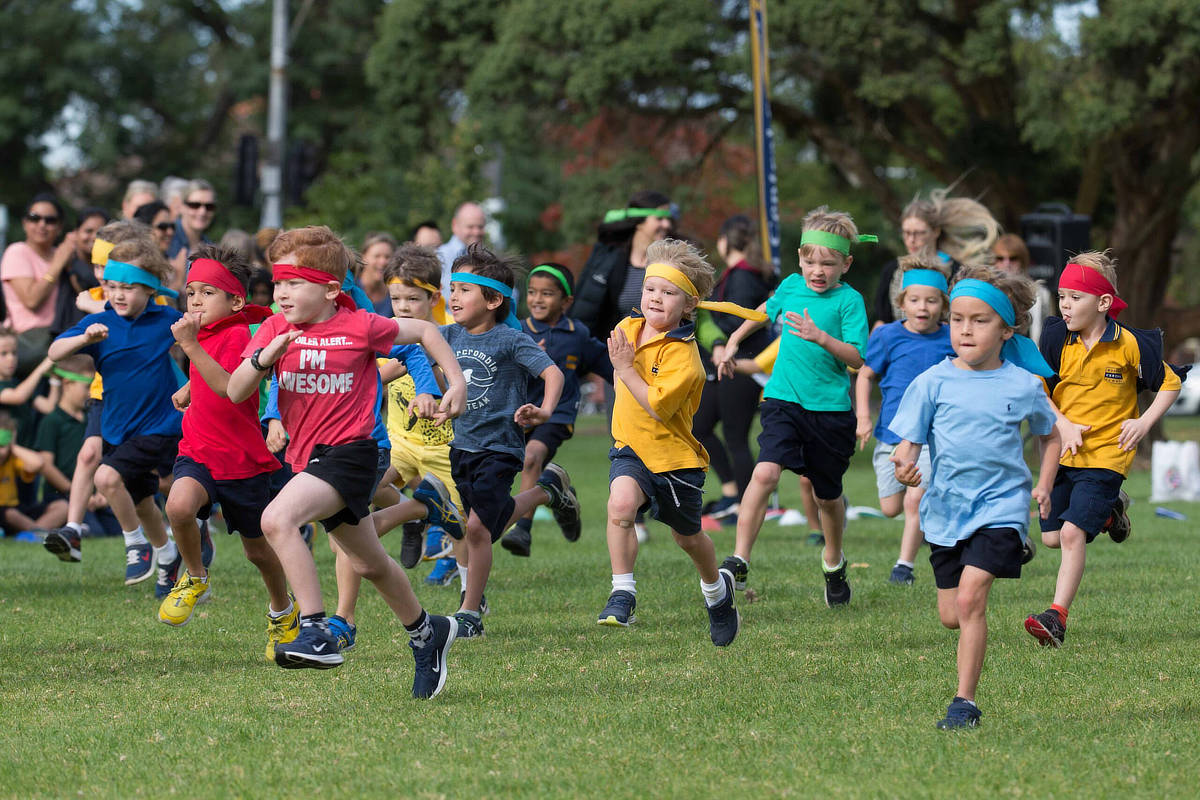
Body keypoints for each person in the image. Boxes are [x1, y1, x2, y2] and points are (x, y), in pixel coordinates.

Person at [226, 226, 465, 698]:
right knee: (369, 562)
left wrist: (453, 383)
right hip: (308, 459)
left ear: (331, 290)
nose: (282, 293)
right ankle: (428, 632)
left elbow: (424, 331)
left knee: (276, 519)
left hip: (354, 453)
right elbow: (236, 391)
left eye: (295, 283)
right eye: (278, 283)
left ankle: (316, 629)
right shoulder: (274, 328)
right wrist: (263, 359)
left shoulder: (360, 326)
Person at [888, 265, 1061, 730]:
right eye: (958, 319)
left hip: (1002, 506)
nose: (965, 329)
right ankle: (1007, 552)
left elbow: (1050, 437)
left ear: (1006, 330)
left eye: (979, 321)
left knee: (970, 602)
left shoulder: (1023, 385)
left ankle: (964, 703)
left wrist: (1044, 484)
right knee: (951, 616)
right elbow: (909, 444)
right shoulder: (932, 382)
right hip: (945, 511)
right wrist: (904, 467)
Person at [597, 238, 756, 645]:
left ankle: (716, 592)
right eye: (650, 288)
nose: (655, 298)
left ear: (689, 305)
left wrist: (624, 368)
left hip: (675, 460)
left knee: (687, 537)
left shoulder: (686, 359)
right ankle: (622, 592)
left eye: (668, 293)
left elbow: (655, 406)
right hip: (631, 448)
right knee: (620, 506)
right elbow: (619, 375)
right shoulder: (626, 329)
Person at [1023, 253, 1181, 648]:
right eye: (1062, 296)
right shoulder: (1056, 338)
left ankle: (1056, 617)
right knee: (1052, 538)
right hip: (1063, 454)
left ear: (1104, 302)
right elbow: (1039, 390)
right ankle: (1111, 514)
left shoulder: (1129, 343)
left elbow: (1171, 382)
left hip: (1108, 458)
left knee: (1072, 533)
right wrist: (1063, 424)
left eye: (1075, 297)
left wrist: (1144, 423)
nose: (1065, 305)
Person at [716, 207, 870, 606]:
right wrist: (733, 341)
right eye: (810, 261)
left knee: (826, 498)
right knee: (765, 472)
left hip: (830, 412)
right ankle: (739, 559)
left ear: (846, 264)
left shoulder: (849, 301)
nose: (818, 271)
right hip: (782, 400)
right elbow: (761, 312)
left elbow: (856, 358)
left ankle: (833, 561)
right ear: (800, 258)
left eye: (828, 264)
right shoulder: (789, 286)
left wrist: (822, 338)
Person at [155, 247, 298, 664]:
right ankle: (195, 576)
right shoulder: (203, 334)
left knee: (258, 553)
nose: (195, 301)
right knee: (178, 507)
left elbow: (229, 387)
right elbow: (207, 376)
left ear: (235, 301)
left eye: (207, 293)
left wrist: (189, 346)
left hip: (241, 460)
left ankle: (283, 612)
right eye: (190, 293)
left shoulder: (240, 336)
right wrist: (188, 387)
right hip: (198, 448)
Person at [327, 244, 467, 650]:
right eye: (397, 299)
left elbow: (450, 382)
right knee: (347, 523)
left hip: (443, 449)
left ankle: (469, 601)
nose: (403, 308)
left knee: (466, 527)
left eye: (413, 299)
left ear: (433, 298)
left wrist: (429, 384)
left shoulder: (445, 335)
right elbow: (370, 374)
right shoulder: (383, 329)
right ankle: (344, 617)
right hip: (398, 445)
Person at [441, 243, 579, 640]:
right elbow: (408, 354)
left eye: (464, 290)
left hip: (500, 447)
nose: (454, 297)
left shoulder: (509, 340)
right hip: (461, 447)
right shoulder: (446, 335)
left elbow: (553, 374)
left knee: (478, 529)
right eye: (453, 289)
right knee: (486, 526)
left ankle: (470, 613)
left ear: (493, 300)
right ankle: (548, 490)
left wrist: (546, 411)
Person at [47, 236, 184, 594]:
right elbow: (55, 351)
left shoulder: (167, 319)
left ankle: (136, 545)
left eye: (128, 287)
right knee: (142, 502)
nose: (118, 295)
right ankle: (167, 554)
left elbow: (201, 337)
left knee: (106, 478)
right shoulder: (100, 322)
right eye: (112, 286)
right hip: (118, 429)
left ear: (150, 288)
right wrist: (84, 339)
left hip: (160, 425)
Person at [499, 262, 612, 557]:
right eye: (532, 292)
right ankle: (560, 497)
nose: (537, 299)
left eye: (547, 293)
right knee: (507, 471)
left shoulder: (577, 334)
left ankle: (522, 530)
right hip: (518, 415)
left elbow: (610, 367)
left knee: (531, 458)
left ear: (566, 301)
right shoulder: (516, 331)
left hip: (556, 415)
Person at [854, 257, 955, 585]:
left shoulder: (952, 338)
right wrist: (863, 417)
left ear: (943, 305)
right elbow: (865, 375)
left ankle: (903, 567)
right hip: (891, 434)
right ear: (901, 303)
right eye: (914, 300)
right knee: (890, 508)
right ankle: (931, 517)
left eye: (931, 300)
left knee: (915, 499)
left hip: (930, 437)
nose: (922, 307)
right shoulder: (887, 336)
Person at [692, 214, 776, 515]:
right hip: (729, 365)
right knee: (699, 426)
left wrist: (713, 334)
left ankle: (746, 505)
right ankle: (732, 494)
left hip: (739, 365)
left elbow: (739, 320)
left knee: (735, 438)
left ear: (725, 241)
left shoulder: (742, 276)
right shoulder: (745, 273)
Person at [872, 190, 999, 328]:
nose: (911, 239)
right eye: (906, 233)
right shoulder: (892, 270)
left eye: (919, 233)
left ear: (936, 231)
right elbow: (882, 320)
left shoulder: (957, 271)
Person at [573, 191, 673, 340]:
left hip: (661, 349)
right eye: (659, 218)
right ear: (639, 222)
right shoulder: (608, 257)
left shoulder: (672, 262)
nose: (667, 224)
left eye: (668, 219)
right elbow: (585, 306)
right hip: (611, 349)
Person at [2, 193, 71, 375]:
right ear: (25, 223)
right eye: (35, 218)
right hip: (28, 342)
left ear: (59, 227)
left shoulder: (62, 254)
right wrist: (57, 264)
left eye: (50, 220)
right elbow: (32, 300)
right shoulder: (17, 252)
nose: (42, 225)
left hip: (58, 336)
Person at [33, 355, 96, 542]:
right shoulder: (52, 421)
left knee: (113, 529)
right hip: (62, 496)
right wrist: (75, 490)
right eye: (87, 387)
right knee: (94, 531)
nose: (91, 394)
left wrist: (100, 495)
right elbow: (46, 466)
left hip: (92, 497)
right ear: (67, 384)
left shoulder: (91, 420)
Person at [0, 328, 60, 447]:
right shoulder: (19, 390)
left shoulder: (18, 384)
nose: (11, 358)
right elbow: (18, 396)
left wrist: (55, 379)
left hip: (25, 449)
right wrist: (44, 365)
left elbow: (48, 407)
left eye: (14, 352)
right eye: (3, 353)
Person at [992, 233, 1053, 343]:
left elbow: (1048, 333)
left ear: (1023, 261)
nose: (1007, 264)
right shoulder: (987, 293)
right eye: (1000, 258)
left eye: (1013, 258)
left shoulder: (1041, 293)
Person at [0, 410, 52, 535]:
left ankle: (35, 531)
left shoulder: (12, 459)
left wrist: (13, 446)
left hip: (16, 509)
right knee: (10, 514)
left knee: (61, 506)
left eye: (2, 445)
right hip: (6, 513)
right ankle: (41, 533)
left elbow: (37, 463)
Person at [167, 179, 217, 286]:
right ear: (182, 206)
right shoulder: (166, 238)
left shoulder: (212, 250)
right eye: (195, 205)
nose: (202, 212)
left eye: (209, 207)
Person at [436, 203, 487, 296]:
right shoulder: (439, 257)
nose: (476, 232)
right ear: (455, 225)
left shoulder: (488, 258)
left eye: (480, 227)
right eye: (470, 227)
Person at [359, 232, 398, 316]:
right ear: (363, 257)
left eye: (387, 257)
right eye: (377, 256)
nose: (383, 262)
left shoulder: (396, 293)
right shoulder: (349, 288)